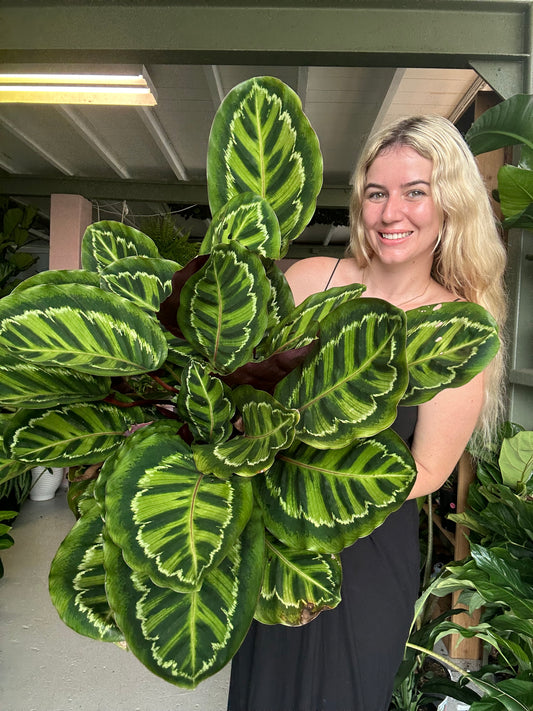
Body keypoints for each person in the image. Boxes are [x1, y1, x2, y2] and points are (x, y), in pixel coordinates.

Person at [227, 115, 507, 711]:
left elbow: (427, 470)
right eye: (377, 193)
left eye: (415, 192)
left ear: (449, 205)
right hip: (276, 536)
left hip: (367, 550)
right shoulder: (309, 281)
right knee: (262, 693)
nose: (390, 213)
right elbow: (243, 391)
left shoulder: (453, 328)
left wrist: (318, 476)